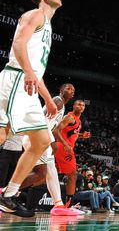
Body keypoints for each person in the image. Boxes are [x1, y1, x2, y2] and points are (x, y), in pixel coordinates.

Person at [0, 0, 62, 217]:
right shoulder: (35, 14)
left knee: (42, 140)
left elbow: (37, 73)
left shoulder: (47, 26)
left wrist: (47, 99)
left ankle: (8, 195)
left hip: (28, 86)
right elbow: (18, 44)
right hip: (16, 78)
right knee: (2, 134)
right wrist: (27, 72)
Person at [18, 82, 82, 215]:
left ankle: (58, 205)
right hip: (36, 138)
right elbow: (41, 120)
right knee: (41, 173)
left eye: (72, 89)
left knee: (51, 171)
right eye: (68, 88)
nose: (70, 90)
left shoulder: (62, 106)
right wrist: (53, 141)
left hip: (42, 139)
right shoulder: (57, 101)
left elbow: (51, 126)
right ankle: (6, 193)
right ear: (61, 90)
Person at [53, 99, 91, 206]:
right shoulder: (69, 117)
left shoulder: (79, 121)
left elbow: (70, 133)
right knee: (72, 175)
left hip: (65, 147)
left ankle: (14, 190)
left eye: (83, 105)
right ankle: (69, 205)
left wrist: (81, 135)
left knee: (47, 174)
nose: (81, 106)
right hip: (64, 148)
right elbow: (56, 131)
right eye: (79, 104)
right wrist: (65, 144)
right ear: (73, 106)